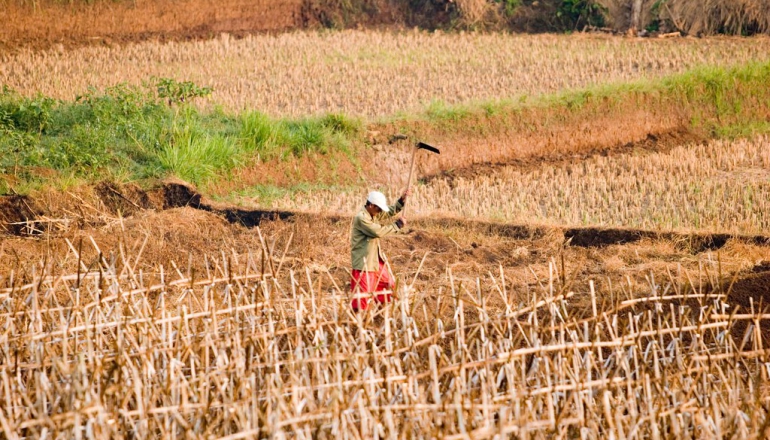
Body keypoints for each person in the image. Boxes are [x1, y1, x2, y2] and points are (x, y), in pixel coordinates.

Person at [350, 189, 410, 312]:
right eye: (378, 209)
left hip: (375, 261)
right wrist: (397, 225)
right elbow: (378, 232)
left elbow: (388, 213)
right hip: (364, 264)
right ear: (371, 205)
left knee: (389, 285)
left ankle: (380, 313)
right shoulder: (361, 218)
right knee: (363, 299)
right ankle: (360, 322)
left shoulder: (373, 213)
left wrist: (401, 201)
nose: (380, 212)